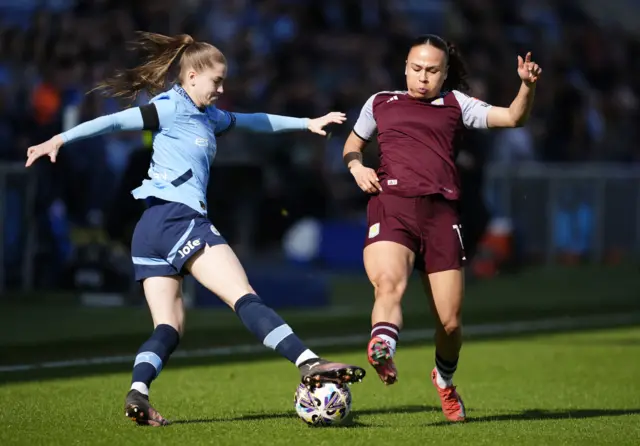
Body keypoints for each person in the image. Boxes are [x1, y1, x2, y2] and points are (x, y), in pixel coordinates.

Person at [25, 32, 366, 427]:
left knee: (169, 327)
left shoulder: (208, 115)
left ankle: (139, 391)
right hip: (178, 219)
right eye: (216, 81)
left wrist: (306, 123)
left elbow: (253, 121)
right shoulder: (170, 106)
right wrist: (59, 139)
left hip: (150, 230)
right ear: (189, 77)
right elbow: (115, 120)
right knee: (245, 298)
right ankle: (310, 363)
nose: (222, 88)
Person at [342, 34, 541, 422]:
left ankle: (444, 380)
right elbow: (352, 144)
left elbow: (514, 118)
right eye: (416, 68)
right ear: (405, 68)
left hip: (441, 217)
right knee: (388, 283)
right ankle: (382, 344)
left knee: (449, 323)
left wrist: (527, 87)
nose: (423, 77)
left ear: (445, 73)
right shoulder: (380, 102)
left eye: (432, 70)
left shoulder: (456, 104)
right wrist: (356, 167)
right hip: (392, 207)